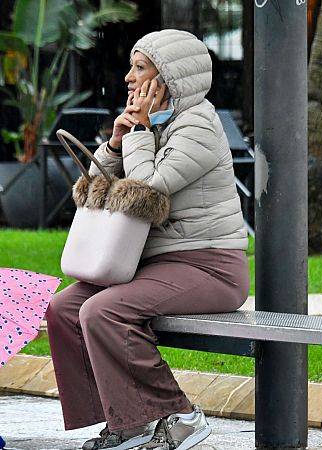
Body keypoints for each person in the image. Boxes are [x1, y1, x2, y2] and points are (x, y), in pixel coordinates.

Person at [46, 29, 250, 450]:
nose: (128, 78)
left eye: (139, 68)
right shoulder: (154, 124)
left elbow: (146, 192)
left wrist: (138, 134)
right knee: (65, 308)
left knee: (103, 310)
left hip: (209, 267)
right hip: (153, 265)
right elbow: (97, 193)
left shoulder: (198, 125)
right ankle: (127, 421)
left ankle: (182, 416)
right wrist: (115, 144)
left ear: (169, 76)